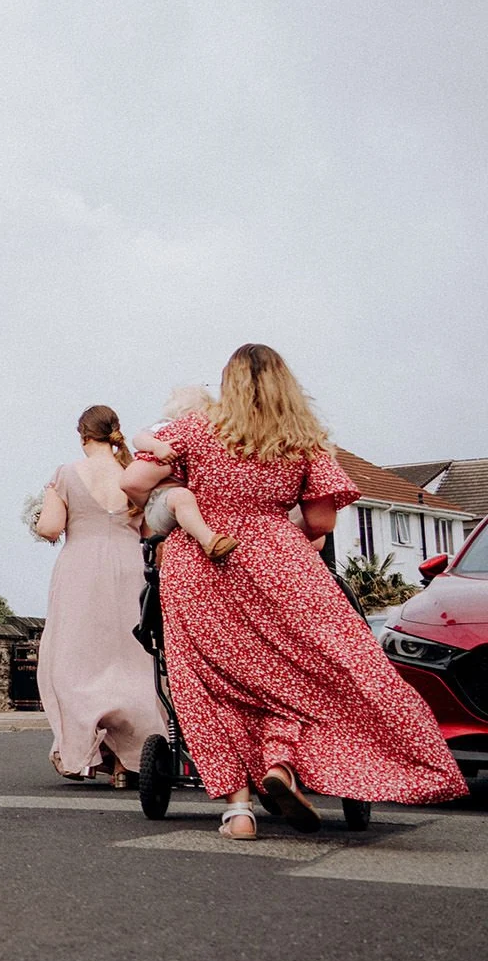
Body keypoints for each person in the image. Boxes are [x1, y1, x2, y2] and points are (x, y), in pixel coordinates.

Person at [120, 344, 467, 839]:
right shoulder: (304, 440)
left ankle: (238, 811)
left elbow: (134, 484)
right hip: (283, 563)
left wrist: (182, 486)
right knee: (300, 677)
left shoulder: (195, 429)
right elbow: (322, 521)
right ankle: (280, 766)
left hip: (200, 569)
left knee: (214, 684)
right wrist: (270, 528)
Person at [32, 404, 165, 784]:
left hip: (81, 571)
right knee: (131, 661)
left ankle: (87, 748)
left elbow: (50, 528)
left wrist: (46, 505)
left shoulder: (67, 474)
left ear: (83, 435)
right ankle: (129, 759)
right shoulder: (132, 475)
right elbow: (150, 533)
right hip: (129, 570)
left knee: (77, 659)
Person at [134, 385, 237, 561]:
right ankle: (209, 541)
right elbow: (138, 439)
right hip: (162, 497)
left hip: (185, 503)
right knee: (181, 497)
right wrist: (157, 446)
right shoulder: (165, 426)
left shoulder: (204, 434)